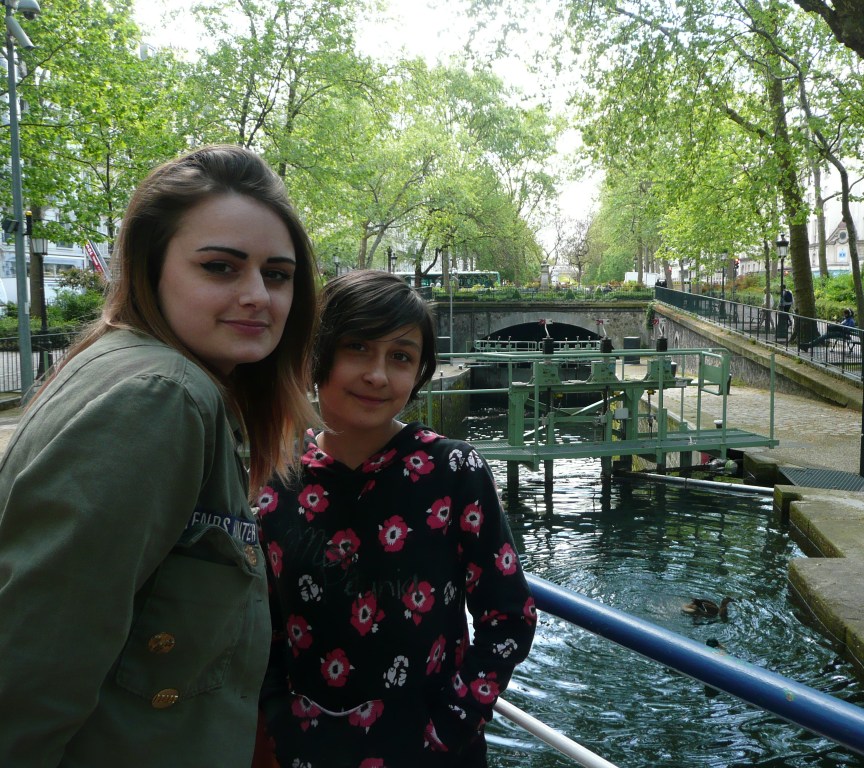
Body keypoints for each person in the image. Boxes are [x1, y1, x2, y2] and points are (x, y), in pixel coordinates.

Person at [0, 145, 320, 766]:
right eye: (220, 267)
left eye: (278, 275)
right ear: (151, 268)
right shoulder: (164, 398)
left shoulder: (124, 367)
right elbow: (33, 668)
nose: (258, 294)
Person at [256, 270, 536, 768]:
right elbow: (264, 623)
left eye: (401, 357)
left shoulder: (454, 471)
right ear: (317, 354)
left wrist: (450, 726)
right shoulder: (277, 480)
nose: (378, 375)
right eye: (358, 348)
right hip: (308, 751)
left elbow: (508, 617)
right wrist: (278, 715)